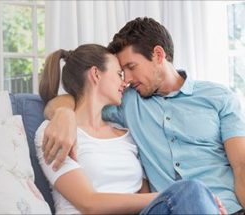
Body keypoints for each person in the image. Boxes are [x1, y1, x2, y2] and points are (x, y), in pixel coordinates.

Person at [42, 17, 245, 214]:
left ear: (158, 55)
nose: (127, 79)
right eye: (122, 72)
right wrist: (64, 113)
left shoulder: (218, 97)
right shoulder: (127, 102)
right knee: (191, 189)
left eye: (131, 67)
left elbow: (241, 166)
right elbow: (81, 99)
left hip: (227, 208)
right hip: (167, 207)